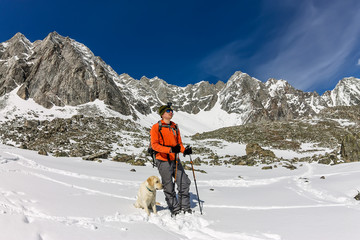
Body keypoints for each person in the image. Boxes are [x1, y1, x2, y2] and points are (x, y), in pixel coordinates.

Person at [150, 103, 192, 216]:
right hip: (162, 160)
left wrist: (184, 151)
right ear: (162, 114)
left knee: (184, 182)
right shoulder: (156, 127)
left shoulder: (175, 127)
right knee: (168, 186)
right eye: (168, 111)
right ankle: (174, 208)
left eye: (171, 111)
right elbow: (154, 145)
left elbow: (179, 144)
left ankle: (185, 207)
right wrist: (170, 150)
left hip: (175, 160)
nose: (171, 112)